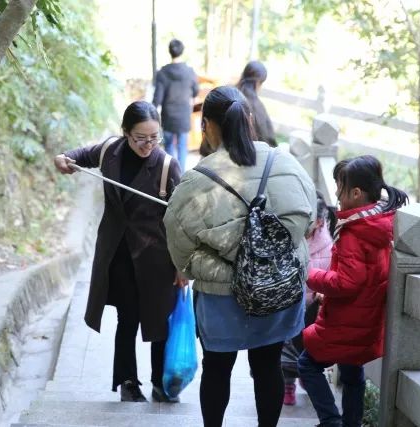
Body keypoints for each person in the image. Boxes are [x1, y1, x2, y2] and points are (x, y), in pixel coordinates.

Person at [163, 86, 316, 427]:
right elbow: (310, 217)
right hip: (277, 291)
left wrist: (200, 267)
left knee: (217, 369)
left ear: (207, 127)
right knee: (268, 367)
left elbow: (178, 242)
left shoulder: (197, 179)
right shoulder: (285, 163)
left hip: (221, 296)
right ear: (249, 119)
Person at [53, 101, 188, 403]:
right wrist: (63, 159)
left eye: (154, 138)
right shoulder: (109, 151)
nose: (148, 145)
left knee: (159, 320)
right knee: (127, 320)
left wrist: (182, 265)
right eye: (141, 138)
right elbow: (78, 156)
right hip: (119, 254)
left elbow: (182, 220)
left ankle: (161, 383)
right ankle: (128, 382)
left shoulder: (167, 166)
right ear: (125, 133)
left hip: (156, 258)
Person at [298, 155, 409, 427]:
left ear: (356, 193)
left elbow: (346, 282)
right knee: (352, 373)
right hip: (365, 319)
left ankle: (330, 421)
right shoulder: (379, 224)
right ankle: (351, 423)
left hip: (345, 320)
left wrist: (310, 275)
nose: (336, 192)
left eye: (340, 186)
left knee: (307, 364)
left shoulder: (355, 231)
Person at [281, 191, 335, 406]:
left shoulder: (329, 246)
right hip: (288, 302)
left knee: (306, 347)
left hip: (312, 307)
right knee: (284, 349)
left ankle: (304, 375)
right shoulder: (290, 235)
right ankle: (287, 385)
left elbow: (333, 274)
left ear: (320, 221)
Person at [153, 39, 199, 172]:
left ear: (170, 52)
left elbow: (158, 98)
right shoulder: (190, 72)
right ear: (182, 51)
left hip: (168, 116)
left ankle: (169, 174)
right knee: (182, 147)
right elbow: (196, 90)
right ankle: (181, 175)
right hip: (184, 115)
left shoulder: (162, 73)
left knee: (168, 147)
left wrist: (150, 113)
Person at [237, 60, 277, 147]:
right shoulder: (256, 106)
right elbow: (267, 138)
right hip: (251, 155)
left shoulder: (228, 94)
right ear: (258, 82)